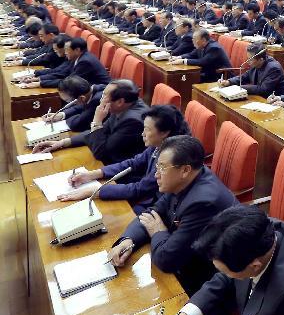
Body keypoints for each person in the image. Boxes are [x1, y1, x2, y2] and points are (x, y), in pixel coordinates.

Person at [159, 205, 284, 315]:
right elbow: (224, 280)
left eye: (225, 270)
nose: (222, 274)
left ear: (254, 266)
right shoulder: (259, 233)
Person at [108, 136, 238, 295]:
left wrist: (157, 231)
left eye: (162, 168)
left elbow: (166, 260)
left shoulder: (203, 202)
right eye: (157, 166)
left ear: (185, 170)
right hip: (181, 258)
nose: (156, 174)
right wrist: (128, 240)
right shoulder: (186, 180)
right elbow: (152, 213)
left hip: (208, 281)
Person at [59, 104, 190, 213]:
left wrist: (95, 191)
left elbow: (140, 189)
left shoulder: (172, 156)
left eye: (147, 129)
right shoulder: (159, 143)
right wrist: (92, 174)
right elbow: (133, 163)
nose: (142, 134)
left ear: (164, 132)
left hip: (157, 206)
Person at [33, 79, 148, 164]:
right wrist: (62, 142)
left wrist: (97, 121)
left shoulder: (132, 121)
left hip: (123, 170)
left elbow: (101, 152)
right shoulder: (125, 106)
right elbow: (103, 131)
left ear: (120, 101)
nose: (101, 99)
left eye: (104, 96)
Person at [220, 43, 284, 97]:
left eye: (250, 59)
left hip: (277, 100)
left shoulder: (273, 68)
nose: (247, 61)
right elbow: (245, 76)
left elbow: (263, 89)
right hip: (260, 97)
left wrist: (239, 88)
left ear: (261, 60)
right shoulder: (255, 63)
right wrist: (229, 82)